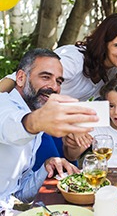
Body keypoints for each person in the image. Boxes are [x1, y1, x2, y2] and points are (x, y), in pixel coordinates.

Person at [0, 13, 117, 165]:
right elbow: (18, 77)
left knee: (68, 171)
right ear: (104, 44)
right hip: (34, 119)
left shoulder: (112, 70)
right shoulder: (74, 59)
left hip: (61, 123)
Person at [0, 49, 100, 206]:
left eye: (59, 81)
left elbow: (20, 193)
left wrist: (47, 167)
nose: (54, 87)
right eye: (45, 77)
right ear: (20, 78)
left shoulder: (34, 113)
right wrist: (37, 122)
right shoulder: (4, 104)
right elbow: (10, 126)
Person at [65, 78, 117, 168]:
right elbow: (71, 156)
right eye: (111, 106)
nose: (116, 112)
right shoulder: (97, 129)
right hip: (104, 178)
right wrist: (76, 142)